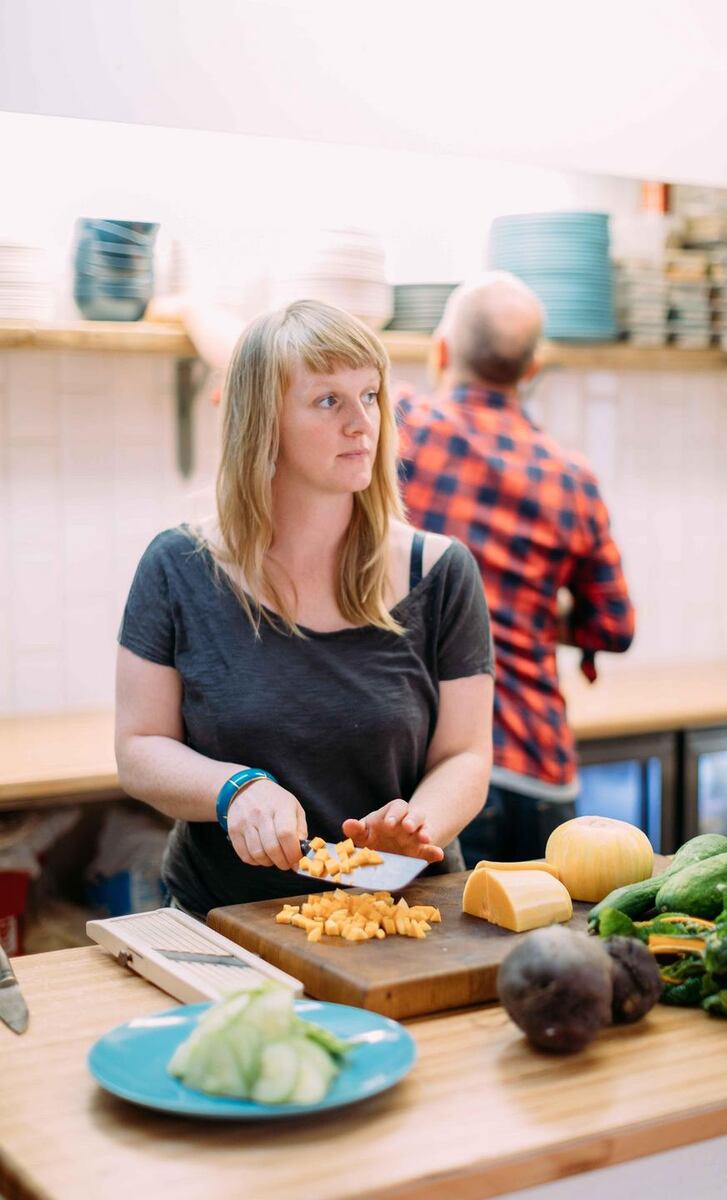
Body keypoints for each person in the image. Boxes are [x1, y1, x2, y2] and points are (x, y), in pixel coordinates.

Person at [115, 300, 494, 917]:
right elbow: (139, 748)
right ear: (264, 424)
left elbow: (466, 756)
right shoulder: (177, 566)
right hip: (229, 919)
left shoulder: (442, 572)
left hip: (399, 912)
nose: (362, 424)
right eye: (328, 401)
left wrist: (411, 832)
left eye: (370, 395)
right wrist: (232, 788)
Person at [396, 272, 635, 865]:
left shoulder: (403, 430)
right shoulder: (571, 476)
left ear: (441, 350)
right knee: (548, 954)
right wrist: (532, 614)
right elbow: (614, 626)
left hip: (438, 776)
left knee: (443, 954)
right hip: (540, 770)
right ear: (532, 370)